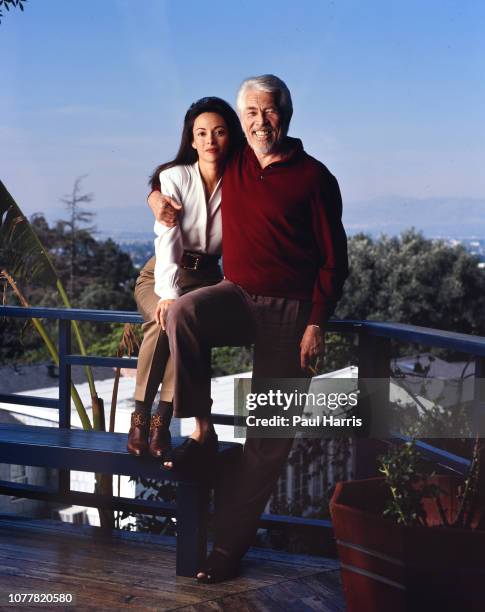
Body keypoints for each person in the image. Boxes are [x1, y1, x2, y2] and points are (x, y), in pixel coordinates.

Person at [148, 74, 348, 582]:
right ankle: (203, 430)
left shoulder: (315, 177)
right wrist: (155, 196)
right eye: (252, 114)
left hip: (292, 313)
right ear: (242, 120)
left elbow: (333, 261)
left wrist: (316, 324)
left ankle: (225, 551)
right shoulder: (233, 160)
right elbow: (178, 167)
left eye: (271, 111)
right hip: (236, 295)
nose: (262, 122)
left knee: (268, 439)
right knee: (185, 312)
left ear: (288, 113)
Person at [128, 97, 244, 458]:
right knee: (165, 319)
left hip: (208, 278)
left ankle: (162, 422)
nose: (210, 140)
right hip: (162, 271)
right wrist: (167, 292)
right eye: (202, 133)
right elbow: (168, 239)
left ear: (231, 138)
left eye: (220, 132)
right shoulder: (175, 176)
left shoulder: (242, 183)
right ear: (191, 140)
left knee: (182, 324)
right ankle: (140, 419)